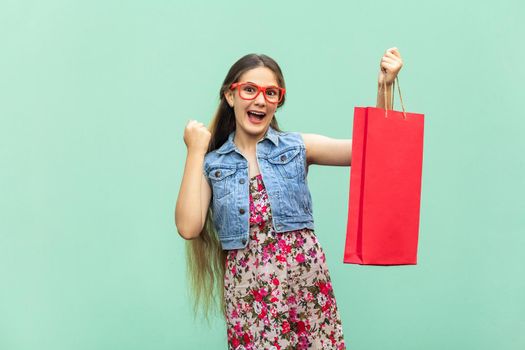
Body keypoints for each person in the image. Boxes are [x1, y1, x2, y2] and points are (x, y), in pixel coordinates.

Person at [175, 49, 403, 350]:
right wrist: (196, 150)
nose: (260, 100)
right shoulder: (214, 164)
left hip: (305, 284)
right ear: (230, 96)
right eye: (249, 89)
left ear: (278, 102)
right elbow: (189, 227)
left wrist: (384, 88)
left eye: (271, 93)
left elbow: (373, 150)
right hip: (250, 295)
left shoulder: (297, 147)